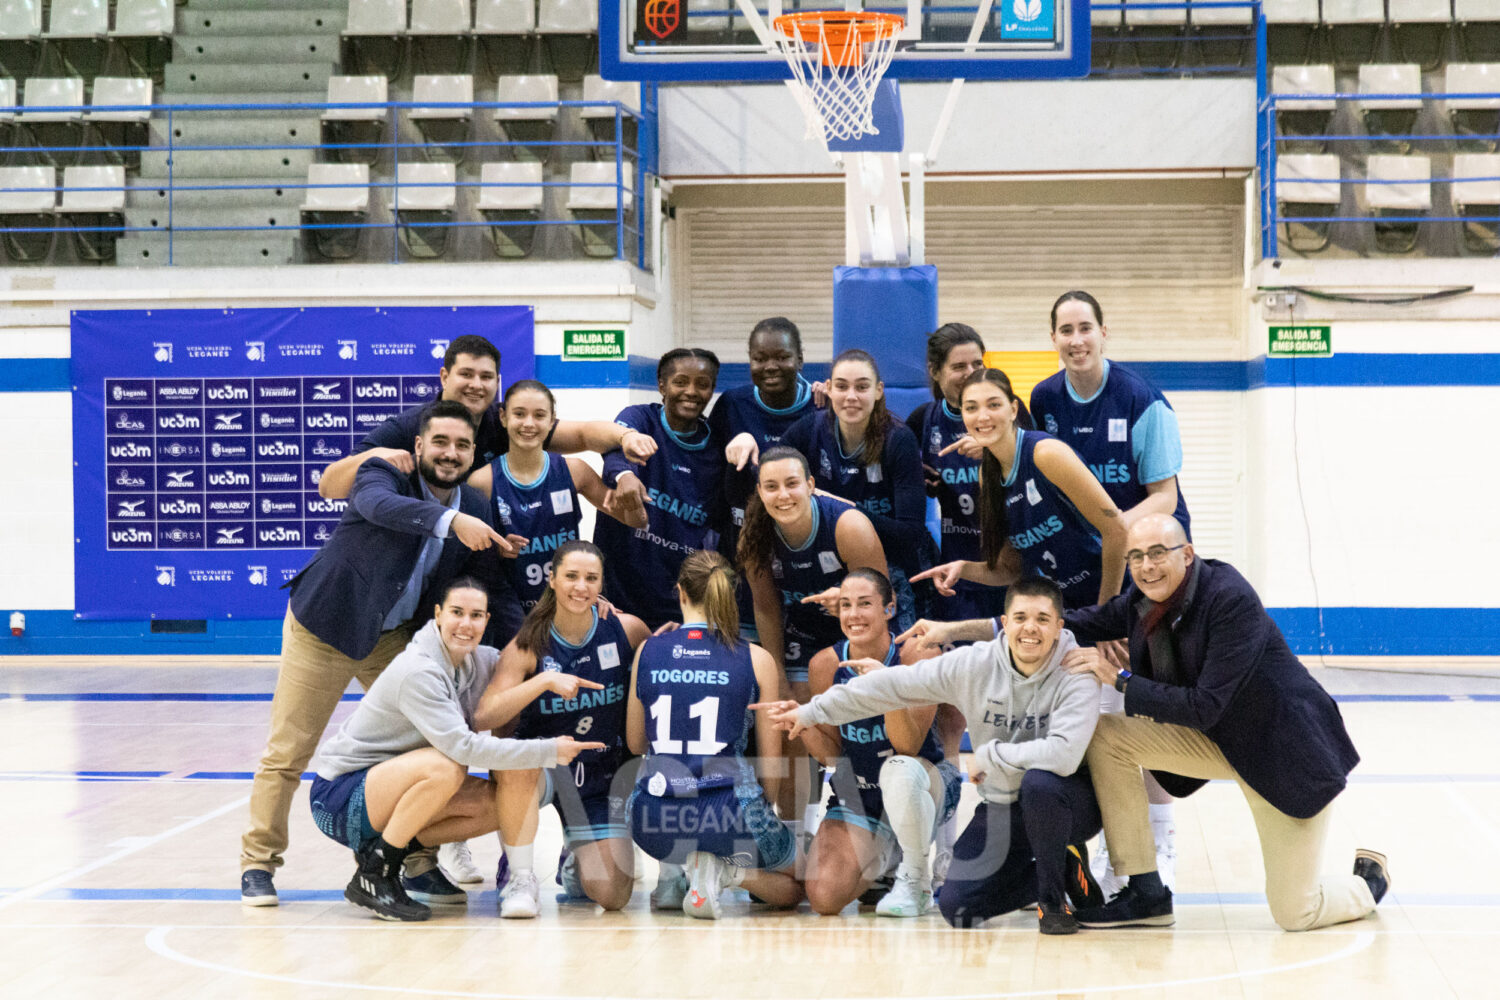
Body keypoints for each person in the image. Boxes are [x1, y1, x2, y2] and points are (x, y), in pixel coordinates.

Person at [239, 400, 521, 906]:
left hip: (393, 637)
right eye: (439, 442)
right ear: (418, 445)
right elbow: (375, 508)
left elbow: (485, 586)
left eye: (462, 445)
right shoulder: (383, 473)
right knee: (287, 751)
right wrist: (448, 521)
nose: (450, 453)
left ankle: (411, 861)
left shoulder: (477, 506)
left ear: (474, 453)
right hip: (326, 625)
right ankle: (259, 863)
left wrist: (526, 647)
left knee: (424, 746)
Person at [1060, 513, 1389, 931]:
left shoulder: (1229, 599)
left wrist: (1120, 679)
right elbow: (1084, 619)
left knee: (1296, 912)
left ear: (1188, 555)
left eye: (1158, 553)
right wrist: (1020, 623)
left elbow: (1204, 706)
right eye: (1137, 556)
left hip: (1281, 751)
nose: (1146, 566)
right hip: (1221, 743)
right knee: (1108, 737)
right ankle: (1146, 891)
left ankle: (1368, 883)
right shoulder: (1144, 600)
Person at [757, 576, 1108, 934]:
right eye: (1020, 618)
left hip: (1065, 803)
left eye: (1042, 620)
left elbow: (1064, 756)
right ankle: (1061, 869)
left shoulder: (1076, 669)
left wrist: (991, 755)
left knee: (1039, 781)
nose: (1030, 628)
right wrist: (809, 713)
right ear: (1004, 623)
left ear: (1059, 626)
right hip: (1003, 801)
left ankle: (1052, 904)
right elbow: (891, 686)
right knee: (958, 908)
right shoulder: (975, 662)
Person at [309, 577, 602, 921]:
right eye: (457, 613)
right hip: (339, 796)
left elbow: (535, 655)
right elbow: (463, 748)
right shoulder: (417, 670)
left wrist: (593, 618)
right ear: (438, 615)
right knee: (446, 766)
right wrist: (548, 750)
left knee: (505, 806)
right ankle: (374, 874)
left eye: (476, 615)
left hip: (389, 791)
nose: (466, 624)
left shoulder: (479, 661)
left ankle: (389, 852)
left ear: (486, 621)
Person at [1029, 290, 1193, 895]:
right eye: (1065, 330)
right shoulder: (1043, 400)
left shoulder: (1143, 402)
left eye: (1085, 328)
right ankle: (1106, 848)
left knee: (1141, 708)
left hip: (1151, 571)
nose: (1076, 340)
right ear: (1053, 338)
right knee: (1091, 713)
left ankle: (1161, 842)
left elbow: (1165, 498)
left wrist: (1116, 531)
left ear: (1104, 333)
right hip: (1090, 573)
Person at [626, 550, 803, 920]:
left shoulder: (648, 650)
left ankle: (677, 870)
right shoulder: (756, 659)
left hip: (652, 818)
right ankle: (726, 872)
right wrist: (759, 818)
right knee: (798, 884)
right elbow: (770, 768)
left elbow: (635, 742)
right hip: (729, 812)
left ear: (681, 593)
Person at [478, 542, 651, 917]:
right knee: (515, 760)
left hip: (599, 775)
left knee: (613, 895)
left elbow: (656, 670)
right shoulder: (528, 643)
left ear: (602, 584)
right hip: (541, 770)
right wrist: (541, 683)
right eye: (571, 576)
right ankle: (521, 878)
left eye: (591, 578)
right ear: (552, 579)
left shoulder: (627, 629)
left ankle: (574, 856)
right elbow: (484, 716)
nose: (581, 586)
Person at [795, 569, 961, 918]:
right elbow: (832, 758)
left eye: (865, 604)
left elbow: (908, 746)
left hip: (921, 782)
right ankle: (887, 858)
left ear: (889, 609)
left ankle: (915, 875)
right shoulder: (825, 664)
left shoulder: (916, 655)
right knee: (824, 898)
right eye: (846, 605)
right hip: (859, 796)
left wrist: (887, 686)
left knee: (899, 770)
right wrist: (802, 725)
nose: (854, 615)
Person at [317, 335, 656, 499]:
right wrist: (376, 455)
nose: (476, 385)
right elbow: (329, 486)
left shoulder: (504, 423)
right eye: (466, 374)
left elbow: (582, 434)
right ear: (444, 377)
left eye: (486, 377)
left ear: (498, 382)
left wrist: (625, 437)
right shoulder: (408, 426)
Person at [914, 367, 1128, 614]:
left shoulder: (1045, 454)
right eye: (971, 408)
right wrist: (962, 568)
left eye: (993, 405)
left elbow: (1117, 529)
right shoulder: (987, 475)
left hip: (1118, 596)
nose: (982, 416)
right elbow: (1010, 569)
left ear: (1013, 409)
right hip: (1072, 607)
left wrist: (1106, 614)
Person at [467, 380, 649, 614]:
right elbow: (469, 557)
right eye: (519, 414)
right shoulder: (482, 481)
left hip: (569, 604)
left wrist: (629, 489)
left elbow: (636, 520)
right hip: (512, 611)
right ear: (503, 417)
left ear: (552, 420)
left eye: (539, 415)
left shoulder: (574, 471)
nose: (529, 423)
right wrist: (498, 549)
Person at [783, 349, 930, 631]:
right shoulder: (809, 430)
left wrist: (844, 508)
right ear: (828, 389)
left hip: (896, 569)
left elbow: (911, 534)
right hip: (837, 568)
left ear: (878, 391)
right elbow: (770, 469)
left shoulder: (898, 439)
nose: (851, 396)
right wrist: (745, 441)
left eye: (862, 387)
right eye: (841, 386)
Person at [737, 446, 887, 697]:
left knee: (858, 700)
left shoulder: (849, 526)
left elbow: (883, 599)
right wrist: (778, 676)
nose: (783, 495)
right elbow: (766, 608)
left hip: (862, 625)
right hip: (804, 629)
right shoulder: (754, 538)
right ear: (760, 492)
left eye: (792, 483)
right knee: (792, 709)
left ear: (810, 485)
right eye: (772, 487)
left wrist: (848, 602)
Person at [597, 348, 728, 630]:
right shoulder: (640, 419)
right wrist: (624, 476)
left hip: (677, 607)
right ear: (661, 385)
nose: (691, 391)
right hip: (617, 596)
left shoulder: (716, 449)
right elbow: (615, 448)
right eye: (680, 382)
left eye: (702, 384)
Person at [709, 317, 819, 639]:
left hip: (803, 554)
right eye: (759, 359)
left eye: (782, 357)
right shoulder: (731, 404)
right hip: (745, 555)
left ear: (800, 359)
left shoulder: (821, 405)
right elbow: (714, 476)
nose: (770, 366)